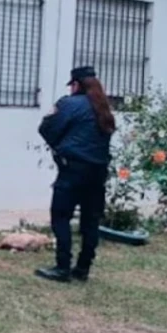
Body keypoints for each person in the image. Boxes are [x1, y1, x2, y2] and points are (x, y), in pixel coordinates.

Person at [35, 66, 115, 284]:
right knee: (91, 220)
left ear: (76, 85)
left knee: (61, 216)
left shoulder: (68, 104)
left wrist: (60, 147)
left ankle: (62, 267)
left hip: (73, 168)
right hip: (98, 172)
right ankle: (83, 268)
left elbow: (46, 128)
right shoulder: (103, 108)